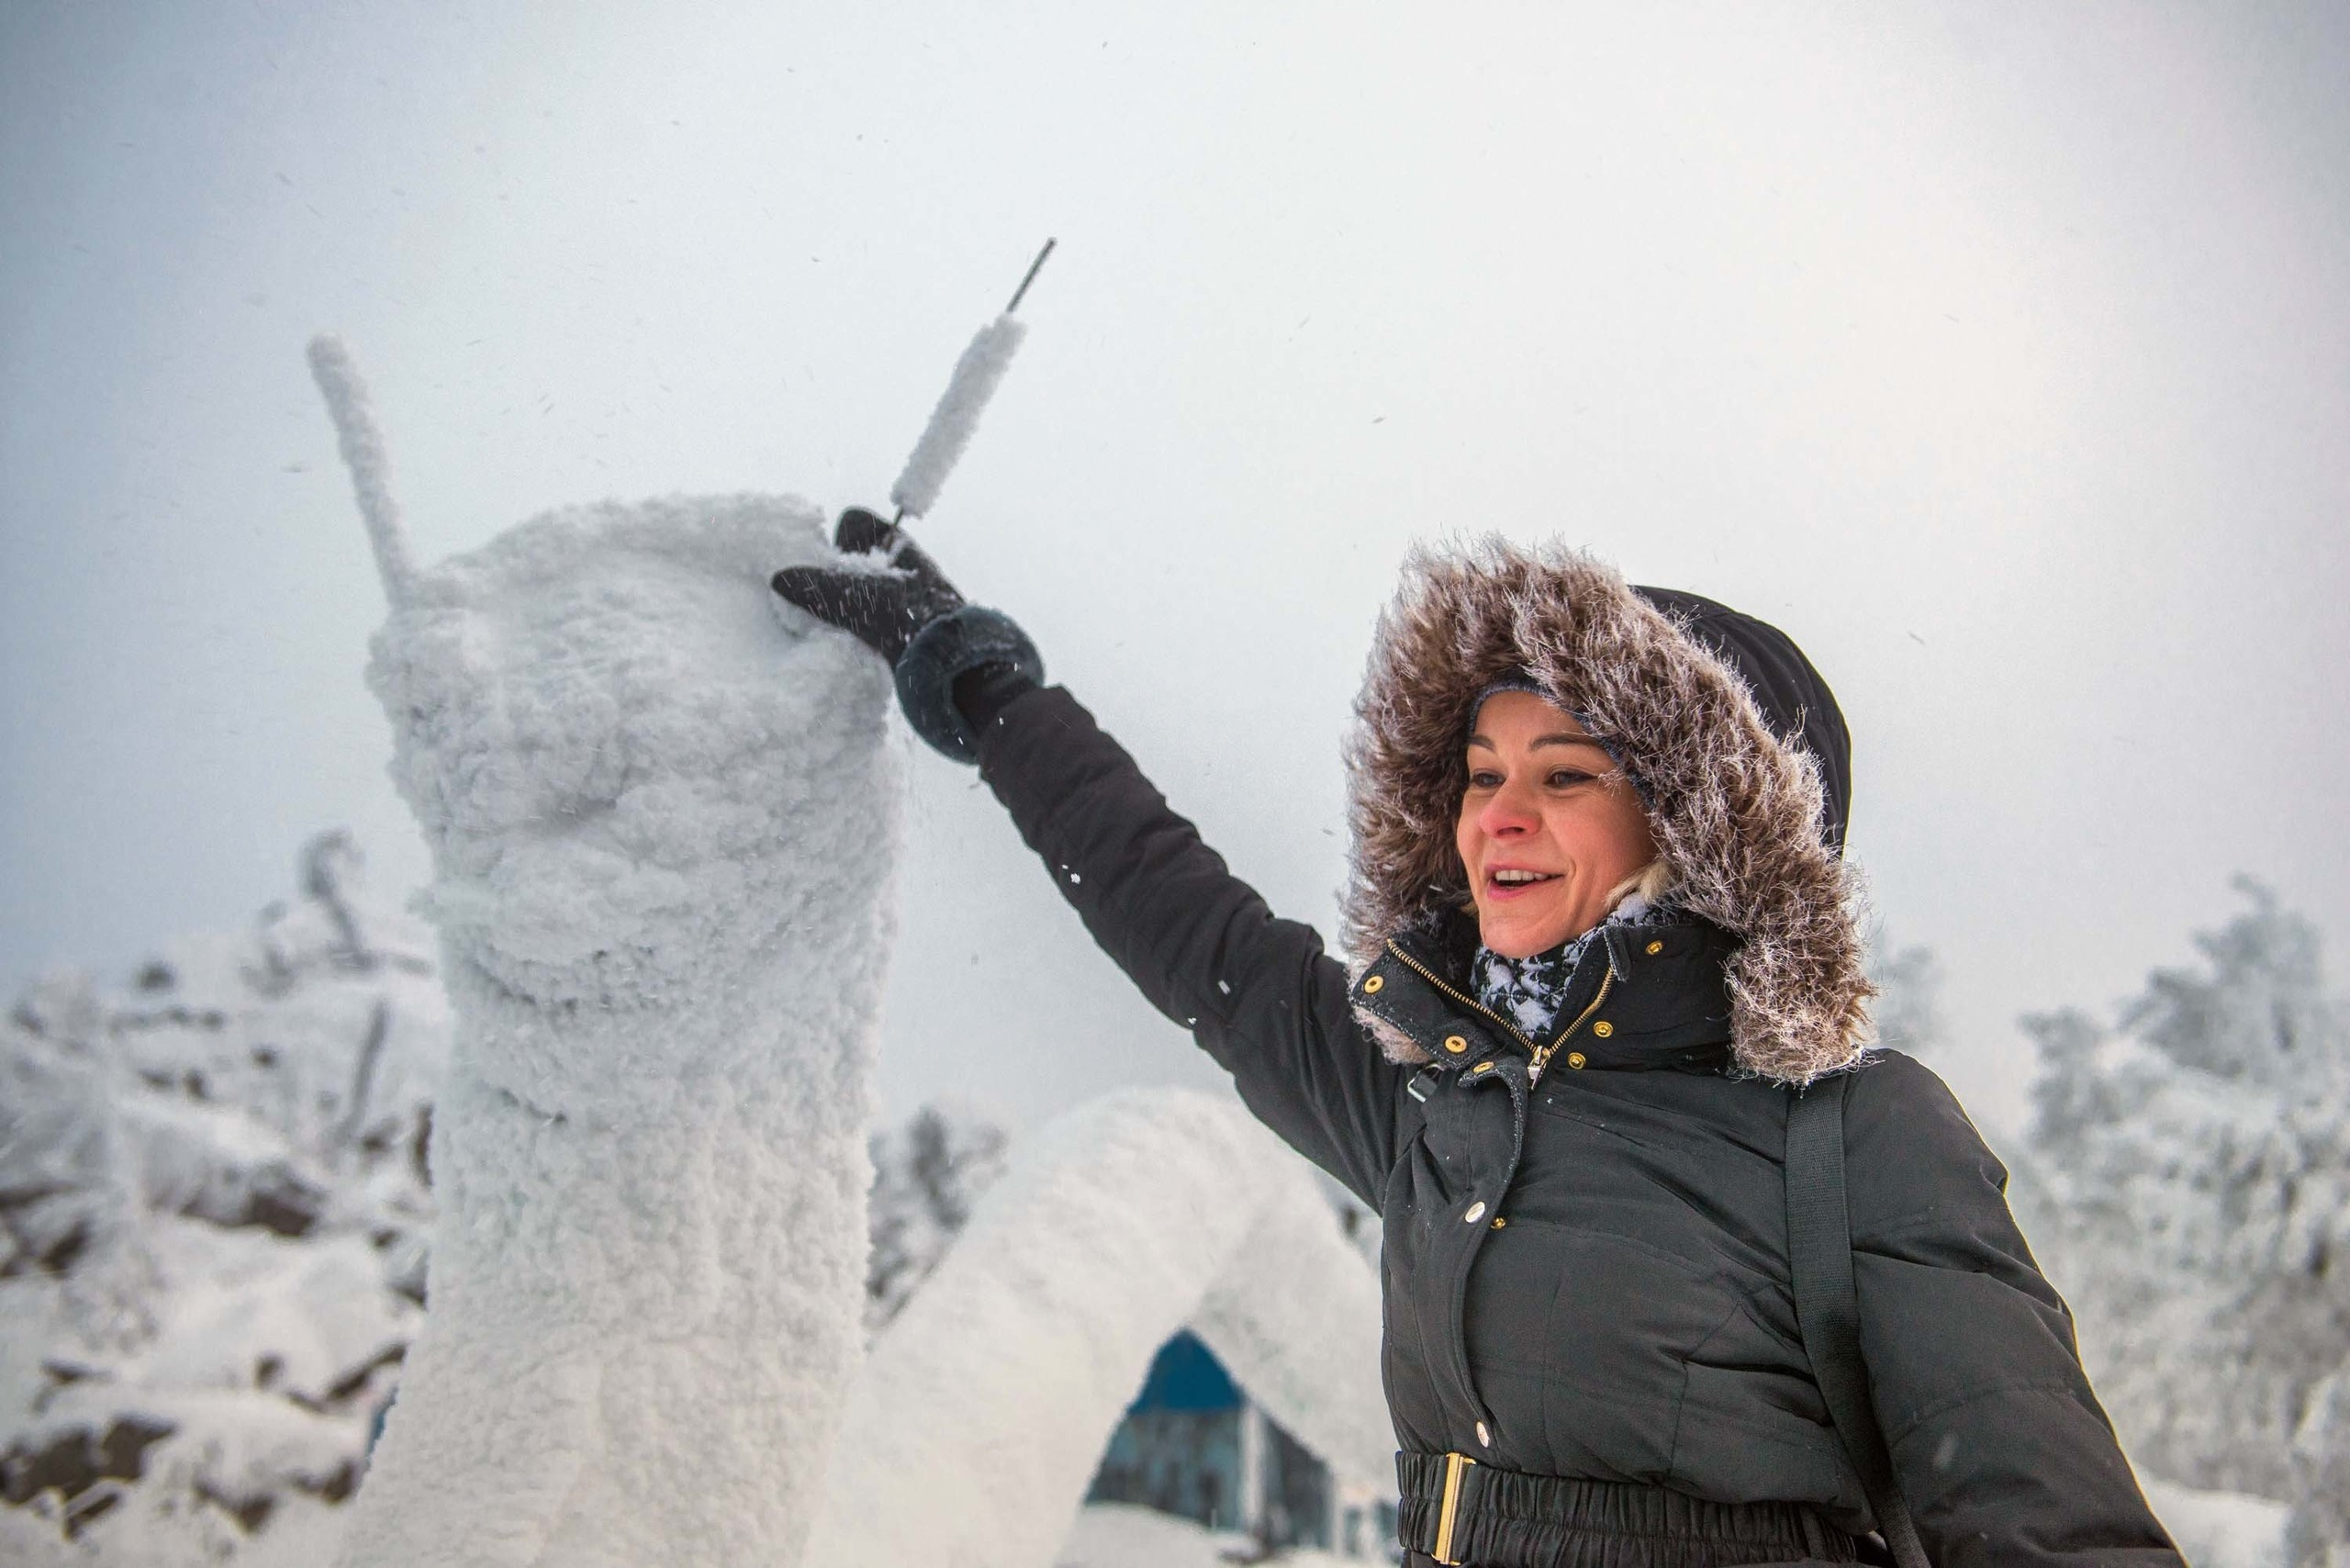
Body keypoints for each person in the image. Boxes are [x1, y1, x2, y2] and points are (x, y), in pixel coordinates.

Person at [775, 511, 2181, 1568]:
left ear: (1699, 833)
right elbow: (1183, 923)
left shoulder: (1852, 1131)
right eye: (1481, 775)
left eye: (1564, 777)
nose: (1495, 816)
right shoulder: (1439, 1115)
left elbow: (2053, 1528)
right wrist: (989, 697)